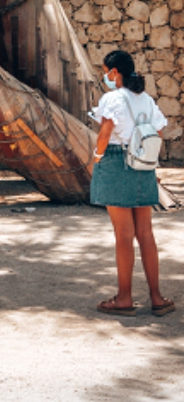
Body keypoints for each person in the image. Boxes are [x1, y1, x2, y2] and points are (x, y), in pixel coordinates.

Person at [91, 49, 173, 316]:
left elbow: (105, 131)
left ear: (115, 72)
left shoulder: (112, 98)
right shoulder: (147, 100)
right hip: (143, 163)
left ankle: (124, 298)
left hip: (116, 161)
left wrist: (97, 157)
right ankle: (157, 297)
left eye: (106, 71)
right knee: (146, 234)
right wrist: (150, 162)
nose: (105, 76)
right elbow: (158, 132)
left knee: (123, 236)